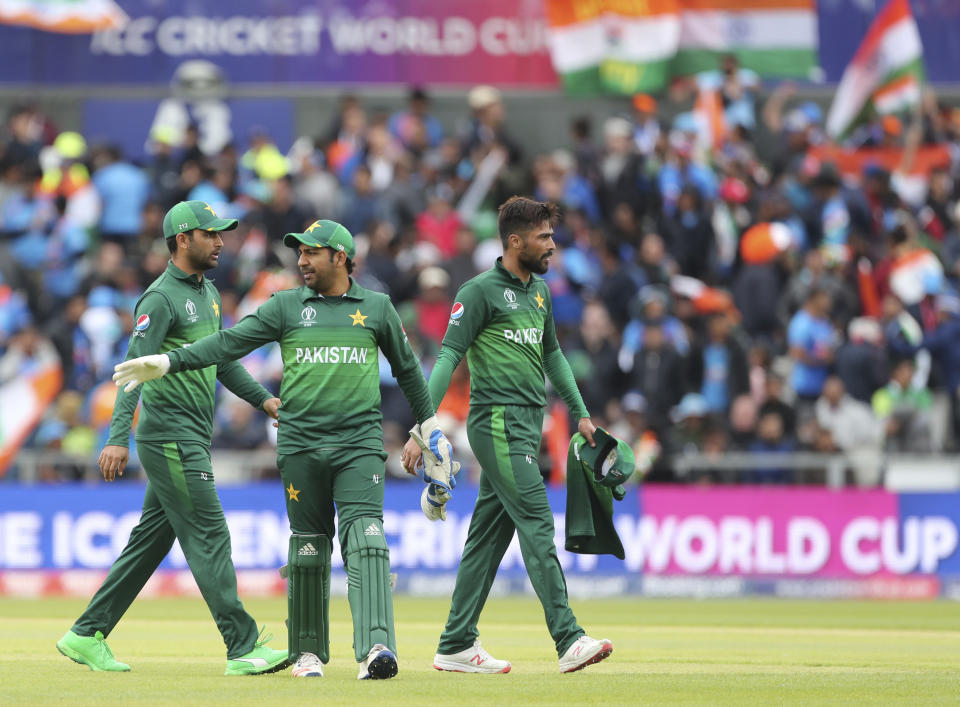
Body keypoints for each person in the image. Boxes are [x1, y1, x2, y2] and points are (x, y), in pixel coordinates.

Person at [112, 219, 455, 681]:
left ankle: (376, 647)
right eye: (298, 252)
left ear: (340, 257)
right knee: (309, 548)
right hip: (299, 447)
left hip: (359, 446)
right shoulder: (285, 306)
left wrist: (425, 426)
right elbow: (226, 345)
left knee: (367, 539)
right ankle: (307, 654)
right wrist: (169, 360)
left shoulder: (376, 308)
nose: (301, 260)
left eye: (311, 252)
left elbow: (410, 372)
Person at [56, 201, 288, 675]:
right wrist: (118, 437)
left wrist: (264, 400)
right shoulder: (160, 299)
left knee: (150, 541)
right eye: (211, 234)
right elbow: (131, 373)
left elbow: (220, 359)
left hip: (190, 435)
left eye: (221, 234)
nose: (221, 242)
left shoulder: (208, 293)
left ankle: (85, 634)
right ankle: (242, 646)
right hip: (170, 436)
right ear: (183, 240)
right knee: (209, 533)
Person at [402, 196, 613, 674]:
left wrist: (580, 413)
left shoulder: (540, 293)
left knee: (487, 537)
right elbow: (447, 359)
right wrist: (422, 424)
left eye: (553, 237)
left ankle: (456, 644)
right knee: (537, 520)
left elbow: (553, 355)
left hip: (526, 424)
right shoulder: (477, 293)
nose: (552, 246)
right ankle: (569, 638)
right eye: (544, 237)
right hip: (495, 422)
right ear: (514, 241)